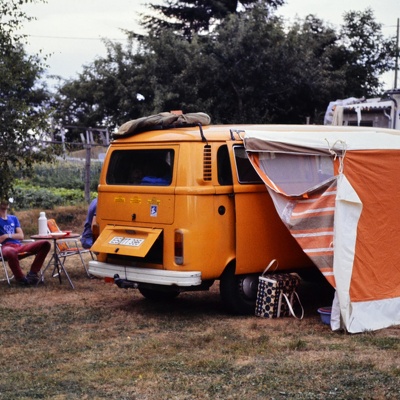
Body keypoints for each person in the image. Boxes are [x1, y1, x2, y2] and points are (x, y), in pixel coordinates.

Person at [0, 198, 51, 286]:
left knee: (45, 244)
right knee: (11, 251)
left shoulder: (13, 218)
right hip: (5, 247)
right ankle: (21, 279)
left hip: (18, 246)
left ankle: (32, 274)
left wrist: (6, 236)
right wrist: (11, 236)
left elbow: (21, 236)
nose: (5, 202)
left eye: (7, 200)